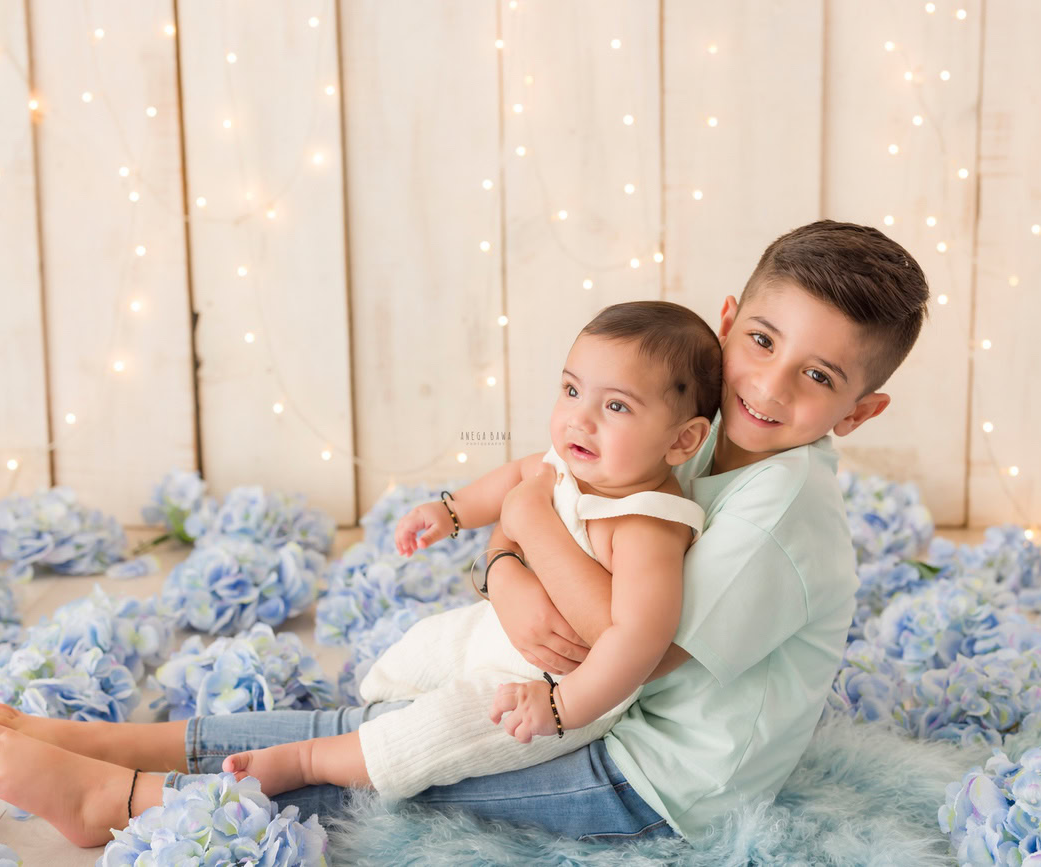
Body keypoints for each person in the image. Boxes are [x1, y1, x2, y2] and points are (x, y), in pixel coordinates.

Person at [0, 220, 929, 849]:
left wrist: (524, 519)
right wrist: (503, 563)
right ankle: (109, 742)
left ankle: (121, 803)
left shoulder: (779, 519)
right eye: (761, 341)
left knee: (397, 764)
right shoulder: (692, 422)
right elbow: (547, 489)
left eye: (817, 377)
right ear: (727, 321)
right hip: (579, 703)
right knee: (363, 730)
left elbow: (618, 640)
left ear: (858, 411)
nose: (768, 384)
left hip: (649, 773)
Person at [216, 300, 721, 799]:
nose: (578, 420)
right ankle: (375, 706)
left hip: (543, 686)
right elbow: (515, 475)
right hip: (492, 626)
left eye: (616, 406)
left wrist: (560, 706)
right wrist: (452, 511)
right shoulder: (573, 464)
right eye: (571, 391)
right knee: (421, 646)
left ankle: (310, 761)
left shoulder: (647, 525)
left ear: (683, 441)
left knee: (434, 734)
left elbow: (638, 639)